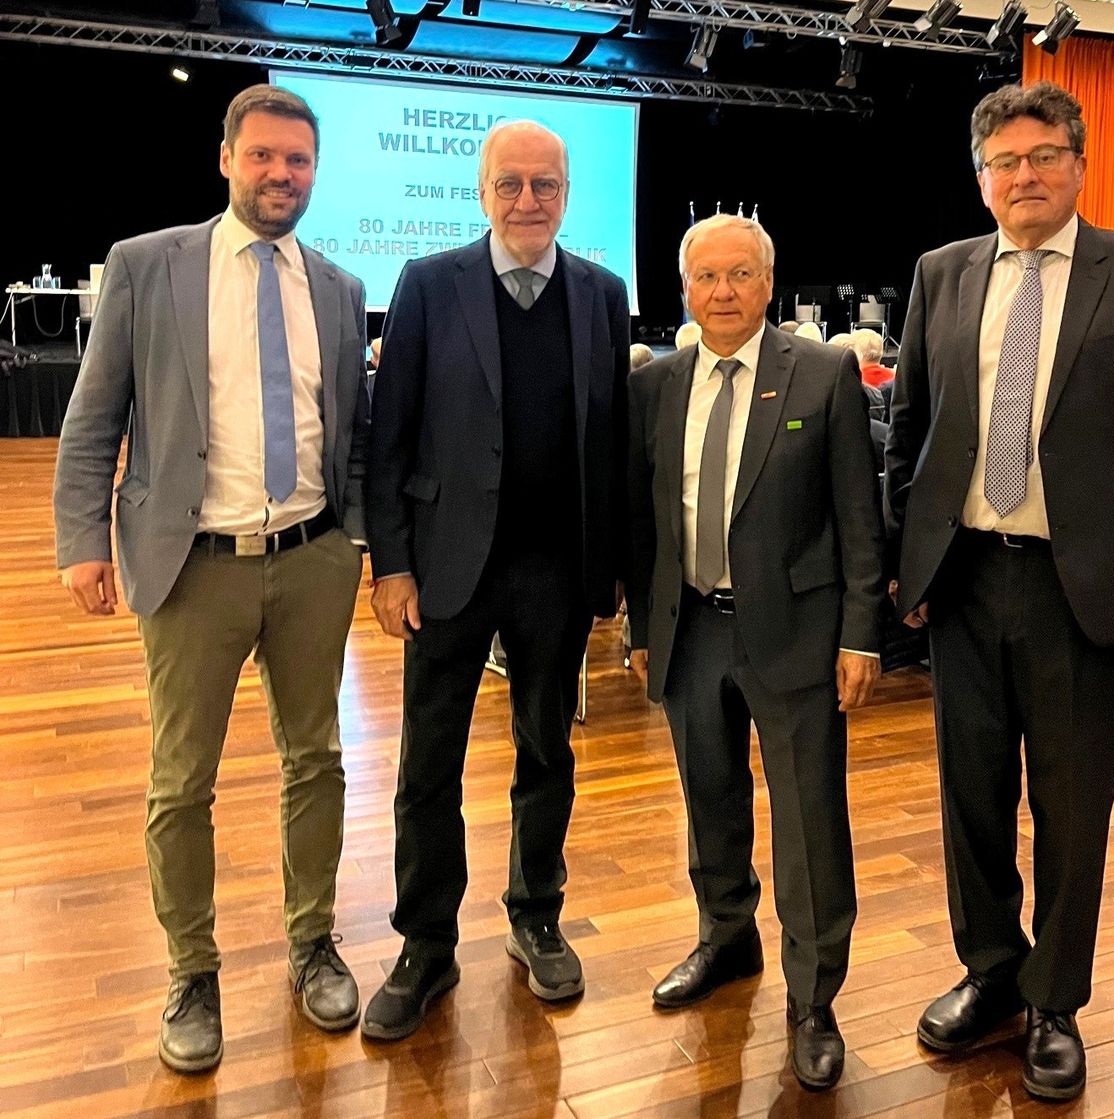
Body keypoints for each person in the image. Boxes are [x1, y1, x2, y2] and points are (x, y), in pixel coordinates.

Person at [883, 81, 1114, 1103]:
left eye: (1044, 158)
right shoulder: (942, 273)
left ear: (1078, 161)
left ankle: (1056, 1000)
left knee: (1072, 810)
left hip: (1090, 589)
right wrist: (908, 561)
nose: (1025, 177)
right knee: (970, 800)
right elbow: (915, 434)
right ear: (981, 180)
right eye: (1005, 163)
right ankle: (992, 974)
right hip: (969, 577)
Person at [53, 84, 369, 1073]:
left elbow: (349, 436)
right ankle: (193, 969)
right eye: (266, 156)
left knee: (316, 759)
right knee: (181, 781)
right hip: (193, 567)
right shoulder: (149, 266)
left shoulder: (340, 286)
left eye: (301, 161)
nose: (283, 175)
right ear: (226, 158)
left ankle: (312, 941)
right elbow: (94, 416)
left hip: (313, 558)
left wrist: (355, 538)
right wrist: (82, 540)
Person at [362, 119, 630, 1040]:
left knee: (547, 752)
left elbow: (614, 442)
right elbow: (387, 434)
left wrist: (613, 573)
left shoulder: (603, 294)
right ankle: (426, 944)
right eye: (510, 184)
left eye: (545, 186)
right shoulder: (429, 285)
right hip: (445, 567)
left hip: (556, 570)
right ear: (481, 191)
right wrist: (390, 562)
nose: (528, 201)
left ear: (566, 194)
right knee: (427, 764)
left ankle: (537, 914)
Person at [628, 214, 883, 1092]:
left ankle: (814, 997)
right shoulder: (656, 385)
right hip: (692, 627)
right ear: (684, 289)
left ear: (769, 284)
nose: (724, 292)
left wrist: (860, 634)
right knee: (710, 795)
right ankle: (725, 935)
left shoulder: (822, 372)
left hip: (799, 634)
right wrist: (640, 629)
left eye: (740, 275)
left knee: (809, 819)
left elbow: (859, 514)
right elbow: (644, 522)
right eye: (706, 277)